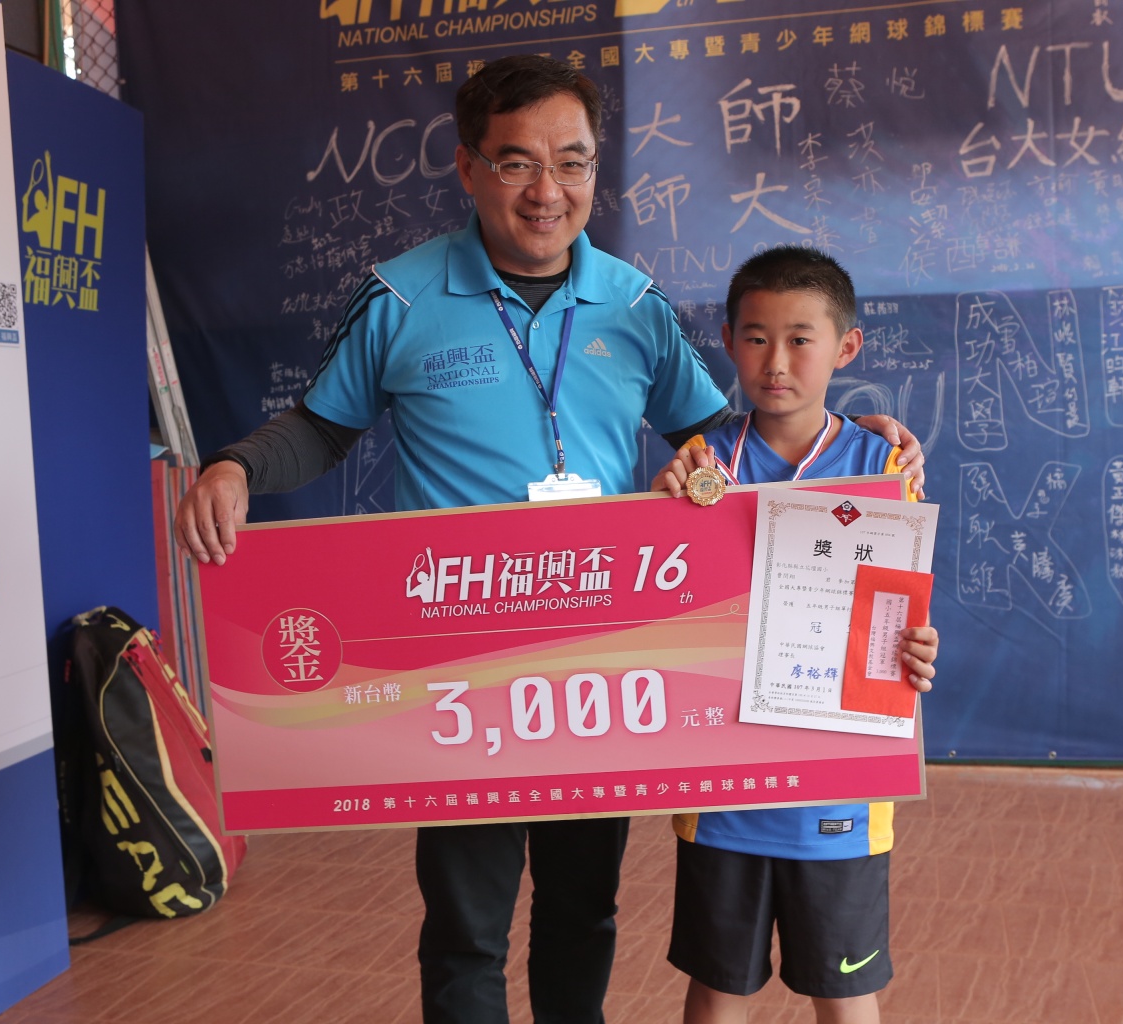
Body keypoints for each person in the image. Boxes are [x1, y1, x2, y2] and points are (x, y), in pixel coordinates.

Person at [174, 55, 926, 1024]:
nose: (548, 191)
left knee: (581, 908)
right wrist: (237, 466)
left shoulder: (634, 304)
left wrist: (857, 442)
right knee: (466, 925)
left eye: (572, 163)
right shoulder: (400, 297)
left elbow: (724, 441)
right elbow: (322, 427)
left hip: (601, 657)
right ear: (468, 166)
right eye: (518, 163)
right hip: (455, 663)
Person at [652, 247, 940, 1024]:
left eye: (800, 339)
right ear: (727, 340)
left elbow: (899, 613)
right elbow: (665, 606)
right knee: (718, 989)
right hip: (722, 788)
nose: (775, 361)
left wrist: (917, 647)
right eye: (755, 338)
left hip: (840, 790)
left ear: (847, 347)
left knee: (845, 992)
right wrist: (659, 512)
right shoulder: (701, 466)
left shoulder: (884, 465)